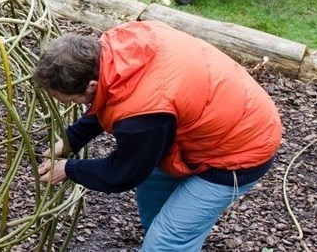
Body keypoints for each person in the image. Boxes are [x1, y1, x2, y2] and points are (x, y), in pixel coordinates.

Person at [33, 21, 282, 252]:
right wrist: (71, 139)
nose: (64, 103)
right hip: (206, 118)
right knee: (154, 206)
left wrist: (69, 169)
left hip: (237, 152)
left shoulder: (142, 116)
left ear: (90, 86)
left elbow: (123, 173)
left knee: (166, 242)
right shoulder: (119, 45)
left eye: (68, 99)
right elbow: (109, 98)